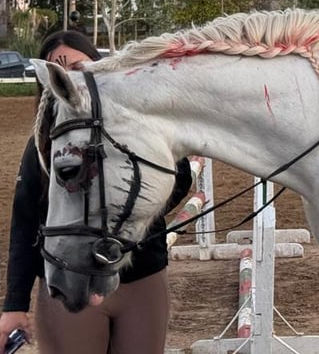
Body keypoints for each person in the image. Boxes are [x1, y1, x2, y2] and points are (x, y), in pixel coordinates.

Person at [0, 30, 193, 354]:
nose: (71, 79)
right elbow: (25, 222)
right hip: (70, 283)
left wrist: (130, 219)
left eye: (79, 68)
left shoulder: (138, 129)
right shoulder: (42, 147)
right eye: (59, 72)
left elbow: (180, 178)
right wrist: (14, 305)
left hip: (141, 278)